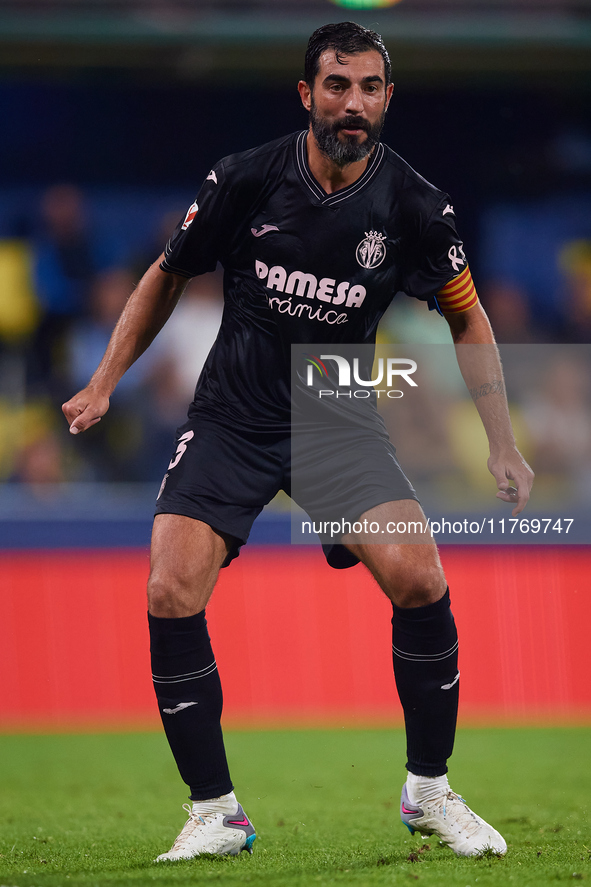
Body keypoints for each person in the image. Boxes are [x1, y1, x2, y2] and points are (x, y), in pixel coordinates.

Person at [62, 22, 534, 861]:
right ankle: (216, 812)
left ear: (386, 99)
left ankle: (429, 791)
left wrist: (500, 441)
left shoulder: (417, 206)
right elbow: (165, 276)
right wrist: (105, 380)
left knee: (420, 578)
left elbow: (467, 316)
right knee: (170, 587)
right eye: (336, 85)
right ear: (306, 95)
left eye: (369, 88)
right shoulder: (244, 178)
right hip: (232, 415)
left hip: (336, 413)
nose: (352, 103)